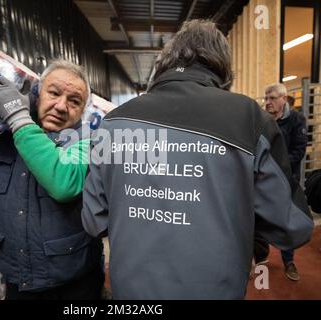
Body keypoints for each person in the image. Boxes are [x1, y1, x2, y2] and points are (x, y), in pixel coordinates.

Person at [81, 19, 313, 299]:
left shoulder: (113, 122)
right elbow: (293, 227)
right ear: (223, 68)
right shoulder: (249, 119)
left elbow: (94, 221)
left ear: (165, 61)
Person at [0, 59, 103, 300]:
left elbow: (64, 184)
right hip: (20, 282)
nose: (61, 106)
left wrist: (17, 115)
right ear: (36, 95)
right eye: (54, 93)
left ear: (82, 112)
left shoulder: (87, 143)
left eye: (74, 101)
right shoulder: (5, 145)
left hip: (74, 285)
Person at [254, 83, 308, 281]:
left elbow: (299, 150)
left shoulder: (296, 120)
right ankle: (260, 256)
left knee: (286, 221)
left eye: (272, 98)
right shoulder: (261, 119)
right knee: (257, 216)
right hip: (261, 179)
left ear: (284, 99)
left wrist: (276, 166)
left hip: (286, 180)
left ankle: (289, 261)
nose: (268, 102)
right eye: (266, 99)